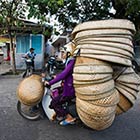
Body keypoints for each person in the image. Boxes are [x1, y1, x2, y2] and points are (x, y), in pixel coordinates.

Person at [44, 42, 77, 126]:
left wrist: (50, 82)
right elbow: (65, 72)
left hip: (69, 89)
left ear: (69, 53)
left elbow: (64, 74)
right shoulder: (69, 61)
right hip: (67, 85)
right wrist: (56, 76)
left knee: (54, 103)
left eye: (63, 52)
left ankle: (69, 117)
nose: (62, 54)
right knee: (55, 91)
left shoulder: (72, 61)